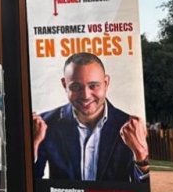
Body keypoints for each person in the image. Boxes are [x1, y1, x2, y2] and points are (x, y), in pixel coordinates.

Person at [31, 52, 150, 183]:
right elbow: (30, 185)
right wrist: (33, 145)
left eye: (93, 86)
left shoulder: (130, 128)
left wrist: (141, 156)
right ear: (65, 85)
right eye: (76, 86)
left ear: (106, 82)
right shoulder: (44, 125)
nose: (86, 95)